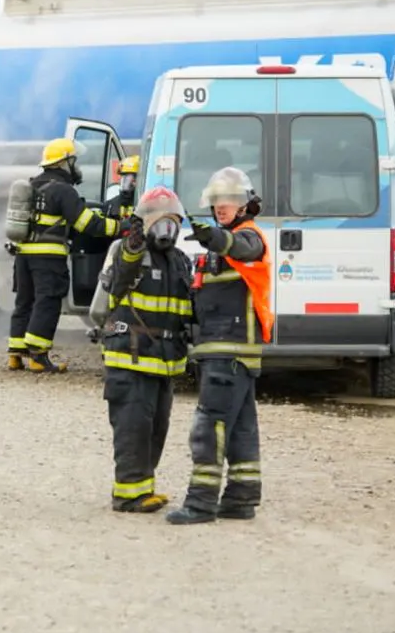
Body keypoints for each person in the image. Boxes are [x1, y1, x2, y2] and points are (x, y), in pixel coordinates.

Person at [166, 167, 274, 525]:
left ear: (245, 204)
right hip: (227, 350)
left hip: (230, 349)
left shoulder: (249, 237)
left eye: (228, 201)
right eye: (216, 202)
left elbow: (239, 248)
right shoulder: (219, 245)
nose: (221, 207)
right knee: (241, 426)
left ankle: (200, 504)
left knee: (209, 424)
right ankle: (241, 499)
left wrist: (212, 236)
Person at [89, 186, 194, 513]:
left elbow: (187, 309)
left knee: (155, 429)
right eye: (159, 218)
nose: (167, 226)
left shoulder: (179, 260)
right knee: (132, 427)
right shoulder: (125, 249)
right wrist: (133, 247)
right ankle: (127, 494)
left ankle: (143, 488)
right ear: (143, 221)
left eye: (173, 219)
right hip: (130, 358)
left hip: (163, 362)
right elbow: (117, 281)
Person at [7, 137, 121, 373]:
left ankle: (16, 354)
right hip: (47, 257)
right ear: (64, 163)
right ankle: (38, 357)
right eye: (74, 161)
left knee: (25, 301)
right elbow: (87, 224)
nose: (76, 167)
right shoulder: (63, 190)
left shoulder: (32, 185)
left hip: (23, 255)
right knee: (47, 303)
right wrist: (120, 227)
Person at [102, 155, 140, 221]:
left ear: (138, 179)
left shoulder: (144, 205)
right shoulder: (110, 205)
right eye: (122, 176)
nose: (123, 179)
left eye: (127, 176)